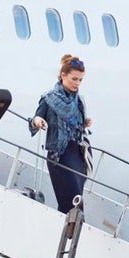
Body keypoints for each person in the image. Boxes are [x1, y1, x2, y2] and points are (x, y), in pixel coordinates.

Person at [31, 55, 92, 212]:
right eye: (74, 79)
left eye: (80, 80)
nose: (77, 83)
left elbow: (77, 125)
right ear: (63, 75)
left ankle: (68, 226)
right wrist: (37, 120)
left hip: (77, 154)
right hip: (59, 155)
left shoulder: (79, 100)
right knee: (71, 200)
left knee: (75, 199)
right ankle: (72, 225)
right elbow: (36, 117)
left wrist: (84, 122)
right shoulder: (49, 98)